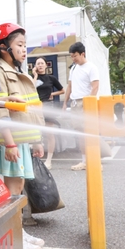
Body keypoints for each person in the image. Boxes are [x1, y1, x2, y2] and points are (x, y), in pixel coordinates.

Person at [0, 23, 45, 249]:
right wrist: (10, 143)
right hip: (10, 143)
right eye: (19, 45)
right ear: (3, 48)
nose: (24, 50)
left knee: (18, 187)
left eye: (24, 45)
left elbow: (31, 112)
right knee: (12, 189)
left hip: (21, 141)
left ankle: (17, 230)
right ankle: (12, 237)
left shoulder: (19, 72)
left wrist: (36, 140)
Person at [62, 42, 99, 171]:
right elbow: (69, 87)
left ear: (82, 54)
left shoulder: (91, 67)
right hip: (74, 103)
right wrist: (65, 102)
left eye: (75, 56)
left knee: (89, 133)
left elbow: (95, 87)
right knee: (80, 134)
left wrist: (88, 103)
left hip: (85, 102)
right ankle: (84, 161)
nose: (73, 59)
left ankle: (95, 161)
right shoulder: (73, 68)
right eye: (71, 56)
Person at [32, 56, 64, 169]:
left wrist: (52, 94)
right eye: (38, 63)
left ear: (46, 65)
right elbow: (31, 88)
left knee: (50, 134)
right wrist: (35, 75)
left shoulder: (51, 78)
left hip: (48, 106)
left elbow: (62, 90)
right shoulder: (32, 78)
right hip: (35, 106)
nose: (40, 65)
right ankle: (36, 159)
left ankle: (49, 160)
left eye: (42, 63)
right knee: (35, 133)